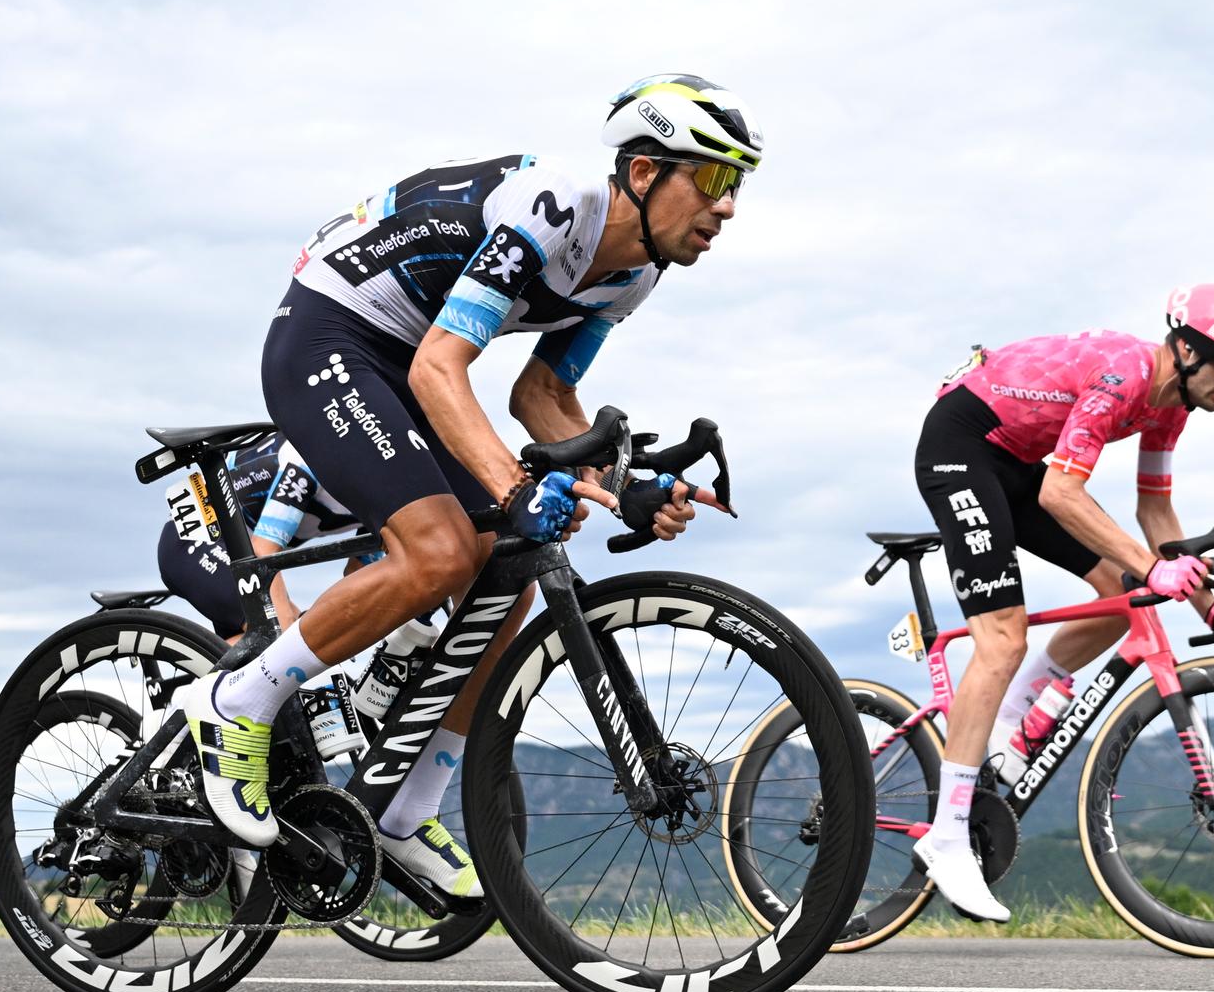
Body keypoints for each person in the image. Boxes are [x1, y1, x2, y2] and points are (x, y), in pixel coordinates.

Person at [186, 75, 761, 898]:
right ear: (642, 173)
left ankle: (404, 807)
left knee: (506, 570)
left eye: (736, 184)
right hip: (331, 334)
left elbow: (542, 397)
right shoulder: (553, 210)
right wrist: (516, 488)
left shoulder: (634, 274)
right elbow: (440, 366)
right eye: (710, 177)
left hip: (405, 362)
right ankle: (241, 701)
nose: (727, 205)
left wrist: (627, 485)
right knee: (442, 551)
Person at [911, 286, 1214, 921]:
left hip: (1017, 462)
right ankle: (946, 841)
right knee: (1002, 638)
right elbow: (1061, 493)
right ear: (1188, 350)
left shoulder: (1171, 408)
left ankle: (1010, 716)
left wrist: (1207, 604)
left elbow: (1155, 512)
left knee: (1123, 594)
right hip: (962, 447)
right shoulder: (1124, 374)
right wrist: (1155, 568)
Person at [156, 431, 362, 641]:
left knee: (304, 640)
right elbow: (264, 551)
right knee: (280, 637)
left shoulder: (382, 493)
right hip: (196, 539)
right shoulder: (309, 460)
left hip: (239, 554)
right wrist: (286, 626)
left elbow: (358, 575)